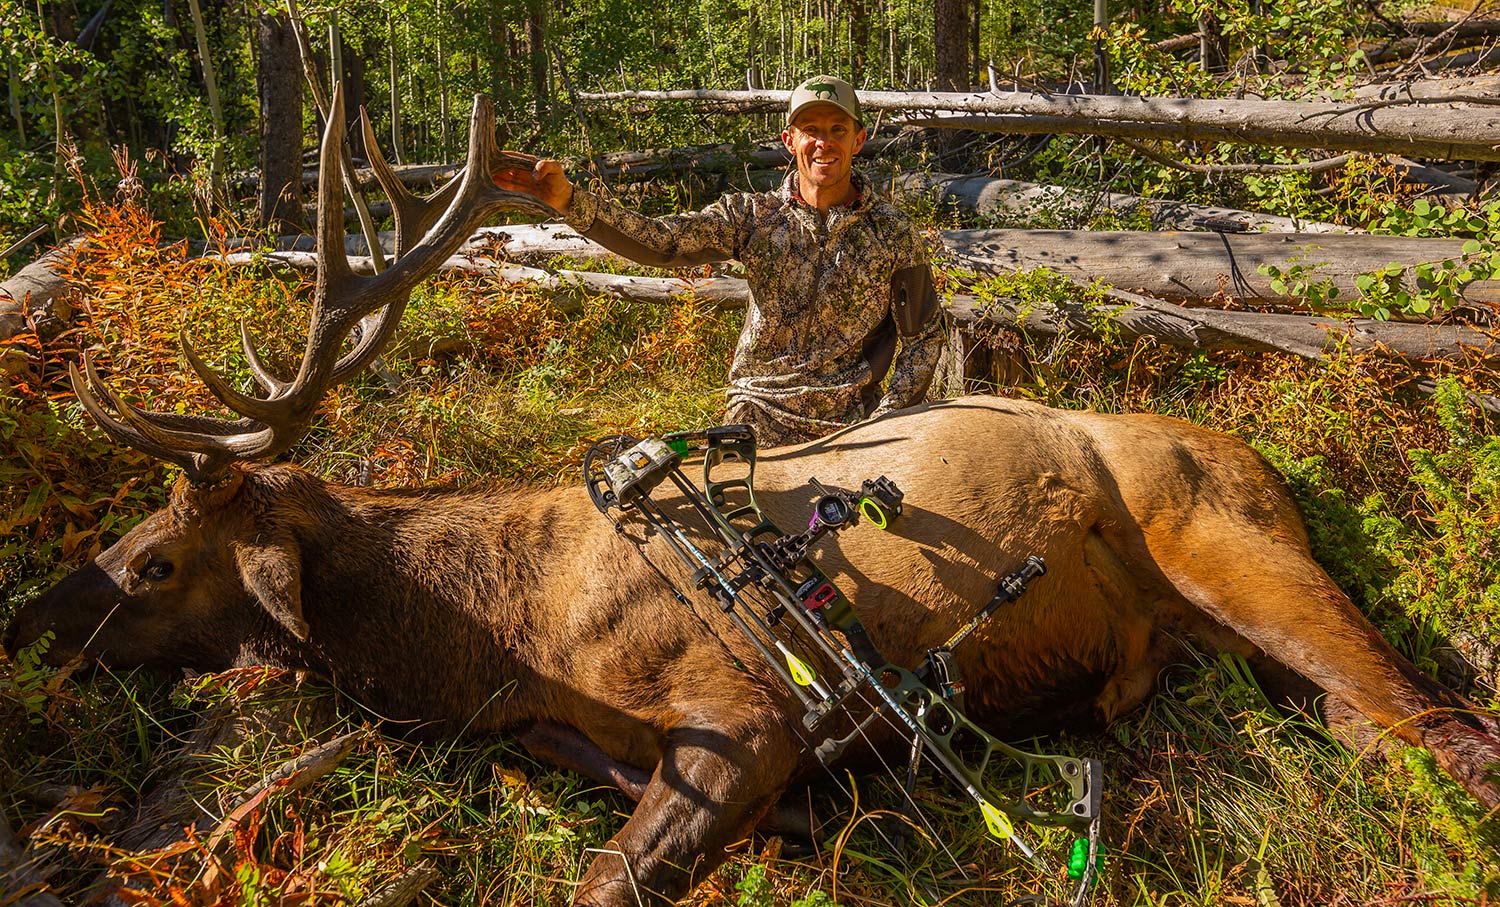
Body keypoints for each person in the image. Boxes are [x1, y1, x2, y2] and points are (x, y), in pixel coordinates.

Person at [497, 75, 946, 446]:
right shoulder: (753, 217)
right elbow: (661, 241)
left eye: (837, 130)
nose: (823, 143)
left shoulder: (890, 231)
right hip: (758, 415)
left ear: (859, 139)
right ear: (790, 141)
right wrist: (570, 200)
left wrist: (888, 421)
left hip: (852, 427)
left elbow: (924, 334)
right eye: (811, 130)